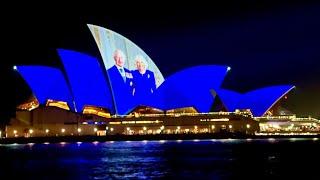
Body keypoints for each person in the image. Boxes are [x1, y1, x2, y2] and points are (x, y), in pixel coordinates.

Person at [107, 49, 134, 114]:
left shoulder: (129, 72)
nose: (120, 60)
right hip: (117, 106)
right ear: (114, 59)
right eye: (118, 57)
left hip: (130, 106)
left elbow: (132, 87)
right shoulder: (109, 72)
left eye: (121, 57)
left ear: (124, 59)